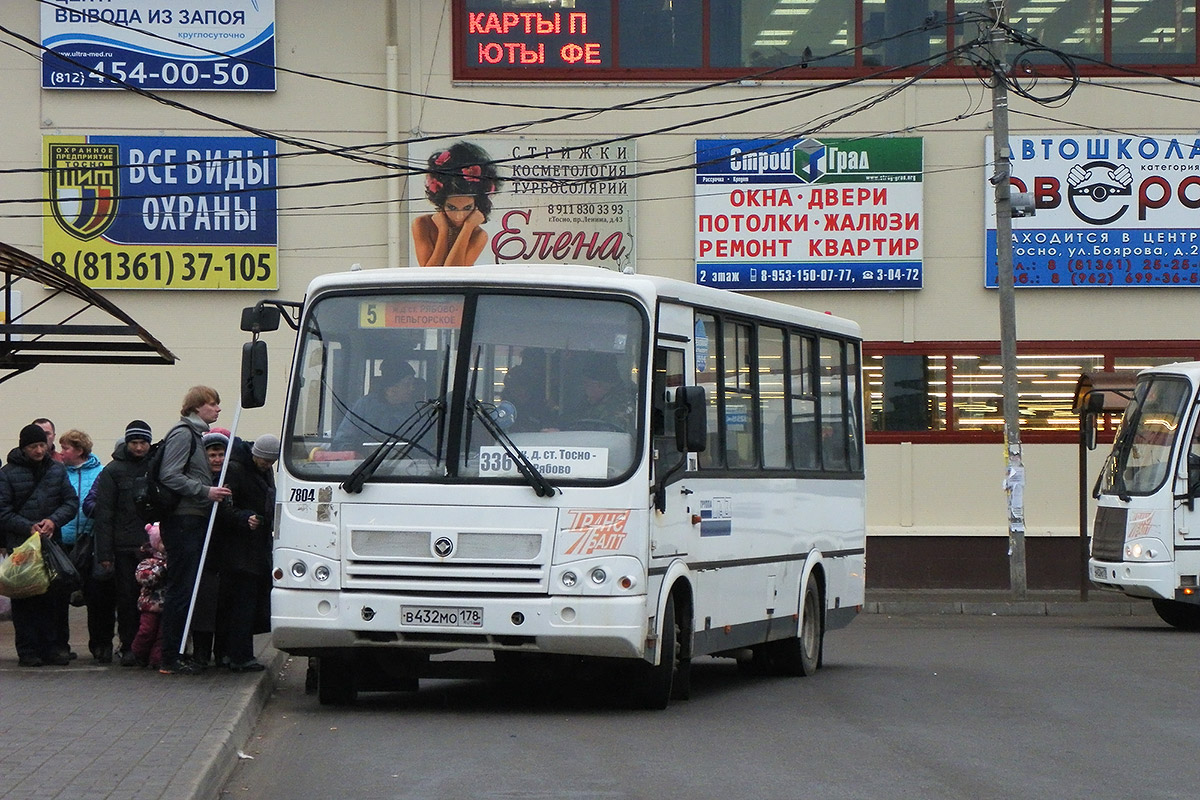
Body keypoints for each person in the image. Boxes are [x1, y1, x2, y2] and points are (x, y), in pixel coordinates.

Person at [157, 386, 232, 675]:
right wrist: (205, 491)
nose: (218, 409)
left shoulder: (195, 435)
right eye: (213, 404)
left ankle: (175, 653)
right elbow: (170, 474)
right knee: (181, 589)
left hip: (192, 519)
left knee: (187, 588)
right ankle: (169, 657)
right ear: (197, 407)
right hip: (184, 521)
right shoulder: (183, 434)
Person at [0, 423, 78, 666]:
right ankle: (28, 650)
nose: (39, 450)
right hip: (22, 547)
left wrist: (53, 522)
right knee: (25, 599)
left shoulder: (57, 469)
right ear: (24, 448)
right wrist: (28, 526)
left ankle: (52, 648)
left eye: (42, 445)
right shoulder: (7, 473)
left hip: (50, 546)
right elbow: (3, 511)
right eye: (33, 446)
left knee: (52, 598)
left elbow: (70, 502)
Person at [92, 419, 154, 667]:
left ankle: (148, 646)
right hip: (124, 547)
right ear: (127, 443)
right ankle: (129, 646)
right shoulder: (112, 471)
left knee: (151, 601)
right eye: (134, 443)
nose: (139, 448)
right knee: (128, 601)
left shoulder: (156, 467)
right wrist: (104, 554)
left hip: (151, 546)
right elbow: (104, 515)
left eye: (143, 442)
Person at [219, 433, 279, 672]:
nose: (267, 465)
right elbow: (225, 507)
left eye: (270, 462)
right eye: (264, 461)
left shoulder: (263, 471)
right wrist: (244, 518)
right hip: (240, 549)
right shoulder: (235, 470)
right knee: (241, 605)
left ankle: (239, 654)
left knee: (247, 603)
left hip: (256, 546)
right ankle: (239, 656)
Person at [59, 429, 110, 662]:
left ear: (79, 450)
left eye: (66, 448)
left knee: (97, 597)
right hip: (63, 543)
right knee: (59, 599)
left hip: (90, 543)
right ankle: (60, 645)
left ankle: (100, 645)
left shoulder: (101, 473)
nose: (61, 453)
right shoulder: (58, 474)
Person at [412, 142, 503, 267]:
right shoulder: (422, 224)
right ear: (441, 203)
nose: (459, 216)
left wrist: (467, 228)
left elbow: (453, 275)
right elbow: (430, 274)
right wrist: (443, 231)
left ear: (477, 205)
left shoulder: (478, 235)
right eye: (452, 207)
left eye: (467, 208)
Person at [332, 361, 428, 451]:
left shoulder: (415, 411)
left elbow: (422, 446)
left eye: (413, 384)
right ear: (391, 388)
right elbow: (341, 442)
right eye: (407, 384)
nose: (412, 388)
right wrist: (359, 452)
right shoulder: (364, 406)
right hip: (364, 466)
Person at [568, 352, 636, 431]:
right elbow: (574, 417)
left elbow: (604, 435)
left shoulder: (618, 406)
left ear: (599, 385)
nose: (584, 387)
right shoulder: (590, 402)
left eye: (586, 383)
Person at [131, 523, 166, 669]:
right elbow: (144, 578)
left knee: (162, 635)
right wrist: (161, 569)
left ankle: (157, 659)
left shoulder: (176, 560)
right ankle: (138, 653)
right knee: (146, 631)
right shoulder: (148, 561)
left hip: (167, 605)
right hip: (150, 605)